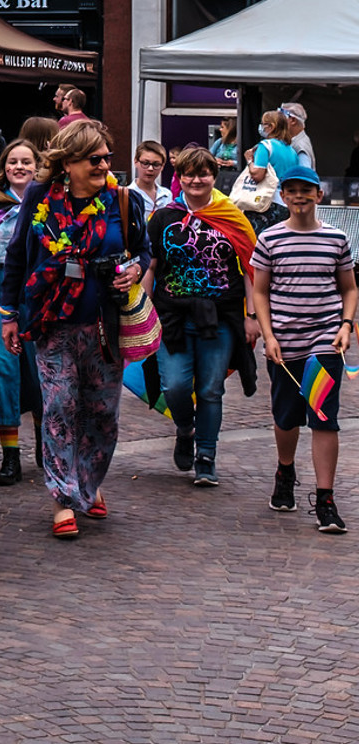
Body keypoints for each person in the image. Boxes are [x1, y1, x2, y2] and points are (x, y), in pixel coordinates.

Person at [0, 121, 149, 537]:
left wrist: (136, 267)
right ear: (68, 162)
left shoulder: (123, 200)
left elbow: (143, 250)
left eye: (106, 157)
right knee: (61, 407)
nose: (104, 165)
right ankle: (63, 498)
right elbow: (17, 258)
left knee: (102, 412)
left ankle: (89, 482)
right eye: (94, 159)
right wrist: (8, 314)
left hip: (105, 325)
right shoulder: (39, 197)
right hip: (52, 321)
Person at [142, 146, 257, 488]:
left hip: (219, 316)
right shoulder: (163, 217)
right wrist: (141, 312)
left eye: (203, 173)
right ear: (179, 178)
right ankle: (185, 429)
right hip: (171, 316)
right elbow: (151, 266)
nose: (196, 179)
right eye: (189, 174)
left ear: (213, 177)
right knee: (174, 385)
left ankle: (206, 456)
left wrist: (251, 316)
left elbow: (250, 269)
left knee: (210, 389)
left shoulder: (233, 216)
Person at [252, 166, 357, 532]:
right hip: (285, 340)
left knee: (323, 415)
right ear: (283, 197)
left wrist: (345, 326)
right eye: (292, 191)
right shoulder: (269, 239)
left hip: (325, 340)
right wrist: (268, 335)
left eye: (306, 190)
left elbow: (349, 287)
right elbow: (260, 291)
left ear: (318, 195)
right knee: (286, 416)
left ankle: (325, 500)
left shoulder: (336, 238)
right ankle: (285, 470)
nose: (299, 197)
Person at [0, 140, 43, 485]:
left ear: (37, 166)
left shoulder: (48, 200)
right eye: (13, 161)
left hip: (38, 292)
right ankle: (10, 457)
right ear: (4, 166)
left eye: (26, 161)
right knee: (2, 370)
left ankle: (47, 442)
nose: (19, 167)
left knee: (41, 371)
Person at [130, 140, 168, 223]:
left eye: (156, 164)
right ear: (136, 162)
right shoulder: (128, 195)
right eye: (145, 163)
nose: (150, 169)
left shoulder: (167, 195)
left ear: (162, 166)